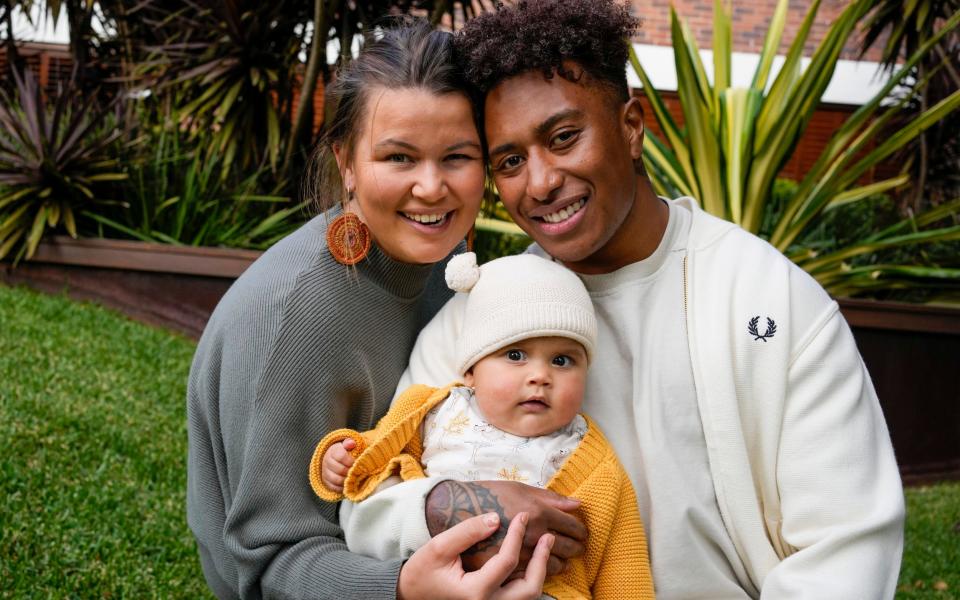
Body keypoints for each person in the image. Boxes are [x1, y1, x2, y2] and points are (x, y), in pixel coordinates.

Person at [339, 1, 907, 598]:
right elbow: (370, 500)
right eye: (510, 161)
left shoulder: (770, 301)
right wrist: (446, 506)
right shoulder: (489, 307)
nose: (541, 182)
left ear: (631, 126)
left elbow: (845, 552)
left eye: (563, 138)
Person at [186, 20, 564, 600]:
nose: (432, 188)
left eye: (458, 157)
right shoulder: (297, 317)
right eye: (399, 158)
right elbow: (264, 566)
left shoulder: (447, 259)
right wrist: (405, 588)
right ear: (348, 163)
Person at [310, 252, 655, 600]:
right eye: (515, 355)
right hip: (434, 580)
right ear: (472, 371)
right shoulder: (432, 410)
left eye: (562, 360)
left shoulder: (594, 462)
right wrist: (342, 455)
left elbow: (624, 566)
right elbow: (376, 455)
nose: (540, 376)